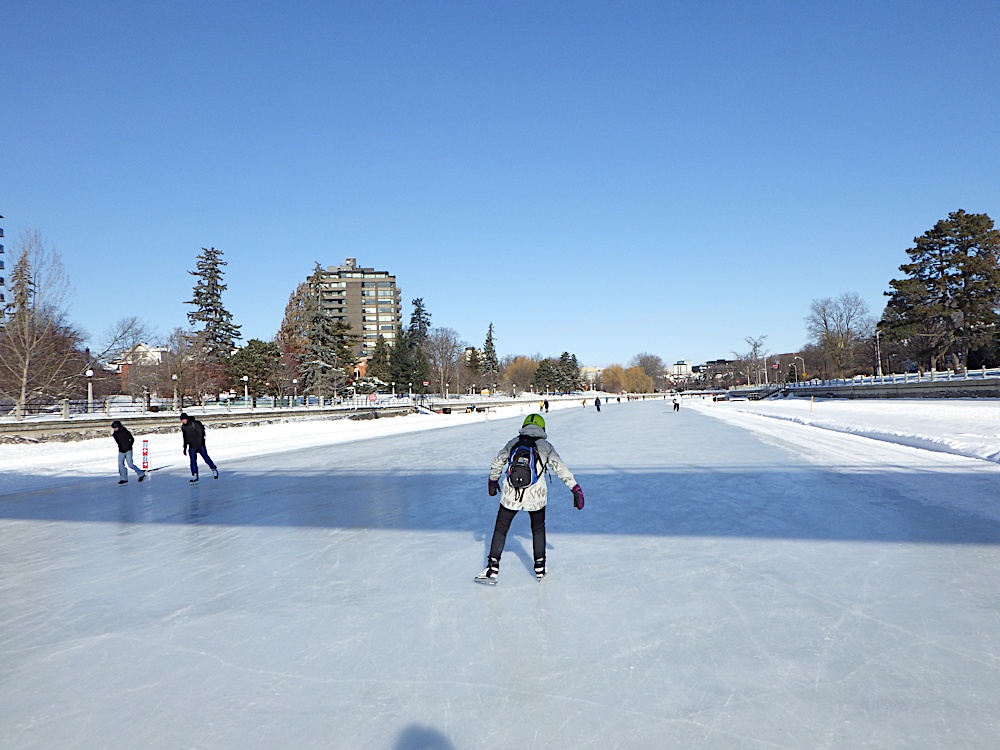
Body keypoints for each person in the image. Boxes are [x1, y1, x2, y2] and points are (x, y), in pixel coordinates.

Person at [477, 413, 584, 583]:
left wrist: (492, 481)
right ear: (542, 428)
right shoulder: (545, 446)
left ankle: (492, 567)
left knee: (501, 528)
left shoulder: (513, 442)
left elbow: (498, 462)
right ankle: (540, 567)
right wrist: (574, 488)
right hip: (536, 496)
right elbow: (560, 468)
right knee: (538, 529)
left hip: (511, 493)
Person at [180, 412, 218, 483]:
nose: (184, 421)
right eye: (182, 420)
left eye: (184, 419)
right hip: (191, 446)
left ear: (187, 418)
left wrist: (200, 443)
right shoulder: (184, 427)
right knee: (193, 461)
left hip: (200, 445)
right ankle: (195, 475)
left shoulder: (195, 423)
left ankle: (214, 469)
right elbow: (185, 437)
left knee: (206, 458)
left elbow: (201, 433)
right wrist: (185, 447)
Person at [111, 420, 146, 484]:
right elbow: (118, 442)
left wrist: (129, 446)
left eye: (115, 428)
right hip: (121, 450)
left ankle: (141, 474)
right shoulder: (115, 434)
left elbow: (132, 439)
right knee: (120, 465)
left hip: (128, 450)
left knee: (130, 464)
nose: (114, 429)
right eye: (114, 428)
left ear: (119, 427)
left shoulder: (125, 431)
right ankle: (123, 479)